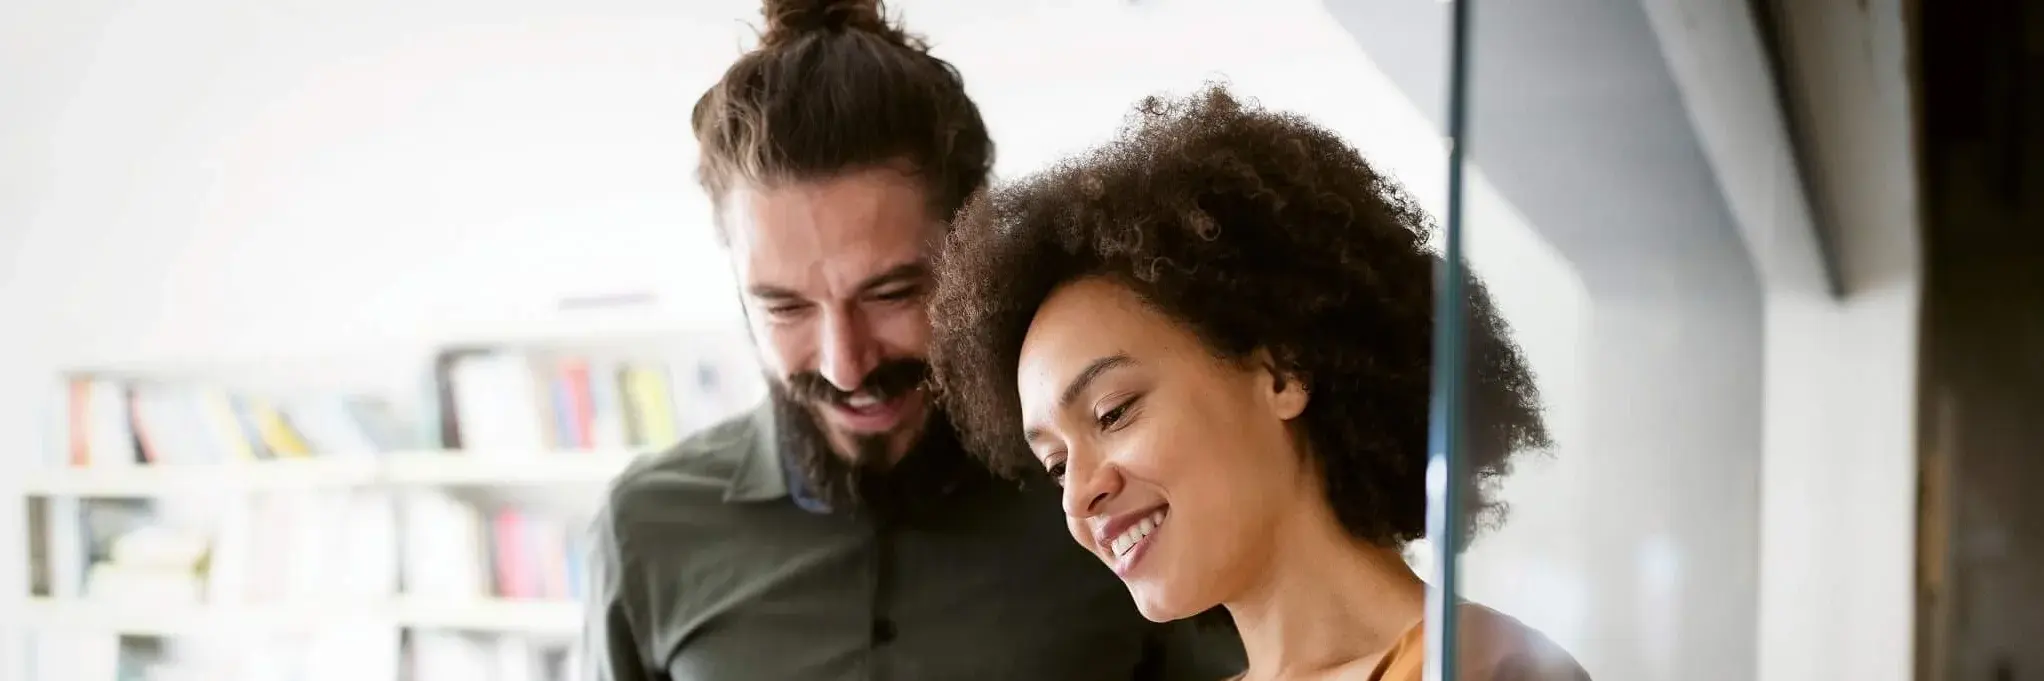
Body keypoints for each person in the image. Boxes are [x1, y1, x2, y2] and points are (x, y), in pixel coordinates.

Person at [581, 2, 1246, 679]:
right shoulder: (643, 531)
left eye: (892, 294)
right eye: (784, 307)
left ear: (977, 256)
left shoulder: (1107, 502)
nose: (845, 365)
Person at [926, 84, 1593, 681]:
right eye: (1055, 463)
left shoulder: (1485, 670)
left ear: (1281, 371)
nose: (1081, 495)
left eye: (1113, 411)